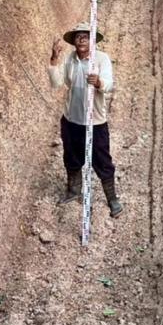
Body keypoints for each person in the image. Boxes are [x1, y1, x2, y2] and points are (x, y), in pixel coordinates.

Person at [48, 22, 122, 217]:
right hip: (72, 120)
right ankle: (73, 190)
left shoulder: (101, 59)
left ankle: (112, 199)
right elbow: (56, 83)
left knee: (102, 161)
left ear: (92, 40)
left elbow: (110, 85)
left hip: (95, 122)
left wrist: (98, 82)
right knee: (71, 157)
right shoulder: (70, 60)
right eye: (78, 36)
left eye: (85, 36)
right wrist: (54, 60)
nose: (81, 39)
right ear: (73, 41)